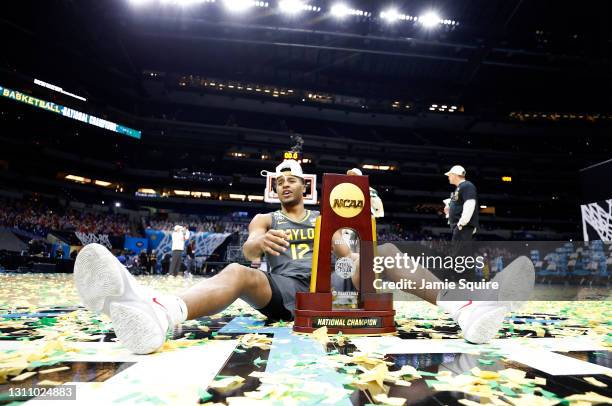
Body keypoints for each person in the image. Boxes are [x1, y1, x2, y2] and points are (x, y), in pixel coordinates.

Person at [73, 160, 533, 355]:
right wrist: (254, 249)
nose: (286, 183)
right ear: (274, 187)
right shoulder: (266, 218)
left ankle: (467, 309)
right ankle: (158, 316)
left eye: (293, 178)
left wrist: (353, 259)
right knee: (235, 270)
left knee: (386, 251)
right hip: (283, 291)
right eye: (280, 180)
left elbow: (348, 255)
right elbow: (250, 247)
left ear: (306, 186)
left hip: (330, 287)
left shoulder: (325, 216)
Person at [445, 165, 478, 241]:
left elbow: (470, 204)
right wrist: (448, 212)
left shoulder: (467, 186)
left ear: (454, 175)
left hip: (463, 227)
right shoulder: (460, 187)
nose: (448, 177)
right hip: (461, 227)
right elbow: (458, 208)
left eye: (449, 175)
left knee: (460, 252)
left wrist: (461, 224)